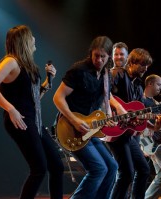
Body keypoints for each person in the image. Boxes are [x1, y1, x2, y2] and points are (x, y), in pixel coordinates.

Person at [0, 25, 64, 199]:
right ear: (24, 41)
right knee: (39, 169)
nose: (34, 39)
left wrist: (47, 83)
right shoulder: (11, 61)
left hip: (35, 121)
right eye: (31, 36)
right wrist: (10, 109)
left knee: (56, 165)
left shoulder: (26, 64)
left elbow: (30, 100)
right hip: (21, 121)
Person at [53, 35, 127, 199]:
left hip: (90, 128)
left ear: (108, 57)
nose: (99, 60)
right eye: (96, 56)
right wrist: (74, 120)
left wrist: (116, 111)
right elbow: (58, 97)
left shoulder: (106, 75)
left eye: (103, 57)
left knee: (112, 167)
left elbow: (106, 98)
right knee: (98, 169)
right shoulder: (78, 70)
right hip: (70, 128)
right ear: (90, 54)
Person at [105, 48, 161, 199]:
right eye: (143, 64)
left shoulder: (138, 86)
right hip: (115, 129)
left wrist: (154, 127)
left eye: (147, 66)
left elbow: (139, 117)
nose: (145, 69)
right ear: (131, 63)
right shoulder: (118, 74)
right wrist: (118, 108)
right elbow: (105, 93)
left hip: (128, 134)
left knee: (144, 169)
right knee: (126, 173)